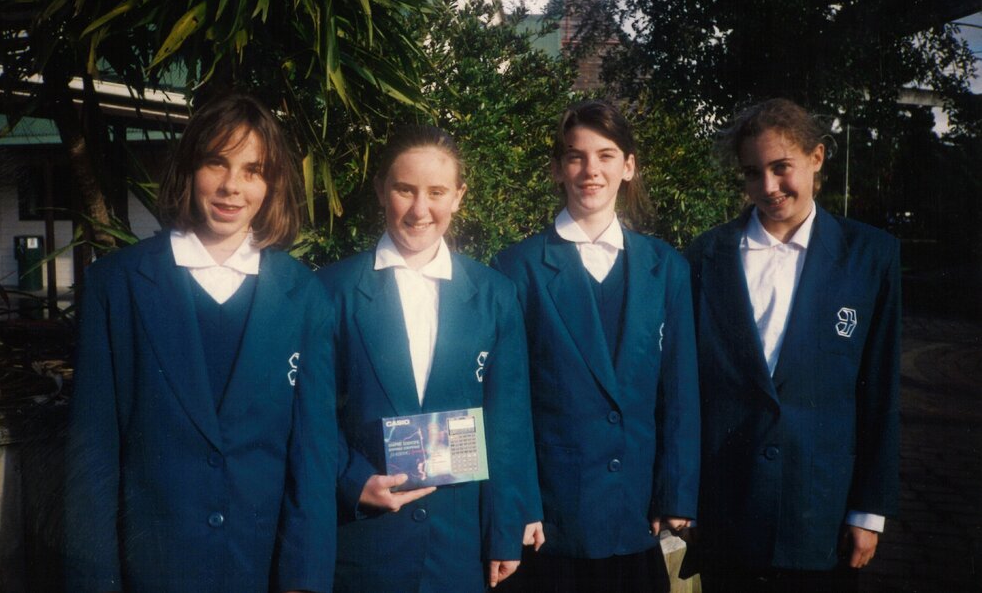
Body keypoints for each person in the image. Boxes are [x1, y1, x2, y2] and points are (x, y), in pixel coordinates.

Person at [64, 93, 337, 593]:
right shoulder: (118, 285)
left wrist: (306, 579)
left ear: (270, 185)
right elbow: (93, 454)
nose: (232, 186)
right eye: (217, 163)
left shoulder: (304, 295)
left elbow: (313, 457)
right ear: (190, 169)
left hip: (260, 571)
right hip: (151, 572)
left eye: (253, 170)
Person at [684, 98, 900, 592]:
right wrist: (683, 497)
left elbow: (880, 392)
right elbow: (687, 390)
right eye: (752, 173)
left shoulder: (870, 256)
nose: (769, 186)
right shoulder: (704, 257)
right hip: (729, 509)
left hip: (819, 512)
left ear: (817, 157)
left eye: (782, 168)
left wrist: (869, 509)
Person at [318, 125, 541, 592]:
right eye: (405, 189)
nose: (421, 210)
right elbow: (310, 415)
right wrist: (353, 481)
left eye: (437, 192)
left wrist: (503, 535)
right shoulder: (331, 290)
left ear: (458, 196)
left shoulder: (495, 295)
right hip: (364, 545)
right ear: (381, 189)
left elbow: (509, 423)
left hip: (456, 549)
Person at [492, 99, 701, 593]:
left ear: (628, 167)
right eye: (576, 157)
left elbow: (679, 390)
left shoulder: (665, 268)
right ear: (557, 169)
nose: (591, 170)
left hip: (635, 515)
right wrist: (520, 504)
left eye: (606, 156)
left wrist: (676, 492)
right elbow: (509, 405)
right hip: (552, 522)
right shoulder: (517, 268)